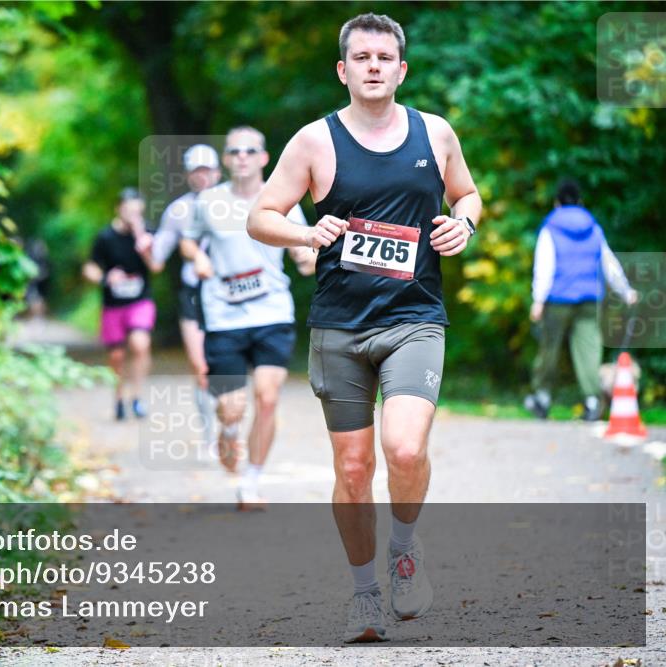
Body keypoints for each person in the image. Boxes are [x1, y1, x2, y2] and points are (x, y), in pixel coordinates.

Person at [247, 13, 482, 643]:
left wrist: (465, 223)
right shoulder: (313, 142)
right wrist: (306, 231)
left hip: (414, 318)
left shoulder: (434, 133)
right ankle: (365, 596)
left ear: (402, 70)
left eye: (385, 57)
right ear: (343, 69)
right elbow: (260, 216)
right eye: (362, 57)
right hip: (340, 326)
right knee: (352, 471)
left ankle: (404, 550)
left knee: (403, 449)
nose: (374, 66)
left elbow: (467, 195)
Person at [180, 126, 315, 510]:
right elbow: (188, 239)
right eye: (234, 151)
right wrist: (198, 256)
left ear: (263, 158)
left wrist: (307, 257)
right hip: (224, 316)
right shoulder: (208, 201)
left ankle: (251, 482)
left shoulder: (283, 199)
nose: (241, 157)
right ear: (225, 160)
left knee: (268, 398)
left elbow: (302, 248)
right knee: (232, 406)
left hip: (272, 310)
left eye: (249, 151)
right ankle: (228, 429)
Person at [524, 178, 639, 421]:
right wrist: (626, 291)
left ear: (557, 203)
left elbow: (544, 265)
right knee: (588, 349)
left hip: (557, 299)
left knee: (549, 349)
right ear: (580, 201)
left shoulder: (550, 228)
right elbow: (609, 263)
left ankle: (542, 398)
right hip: (589, 298)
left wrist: (538, 300)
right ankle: (592, 401)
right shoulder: (594, 228)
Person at [148, 144, 222, 440]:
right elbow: (157, 258)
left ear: (217, 172)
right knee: (200, 366)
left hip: (228, 294)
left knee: (227, 363)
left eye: (207, 170)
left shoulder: (236, 204)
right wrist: (145, 245)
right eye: (196, 171)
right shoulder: (178, 210)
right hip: (194, 293)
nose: (202, 177)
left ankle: (228, 423)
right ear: (189, 175)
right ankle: (209, 433)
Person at [82, 188, 157, 421]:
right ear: (118, 209)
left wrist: (141, 239)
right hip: (113, 304)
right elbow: (90, 268)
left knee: (140, 343)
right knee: (116, 356)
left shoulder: (147, 234)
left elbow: (156, 266)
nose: (133, 215)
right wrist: (105, 278)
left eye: (138, 212)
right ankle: (118, 398)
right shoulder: (105, 237)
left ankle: (137, 397)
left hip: (140, 301)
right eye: (128, 210)